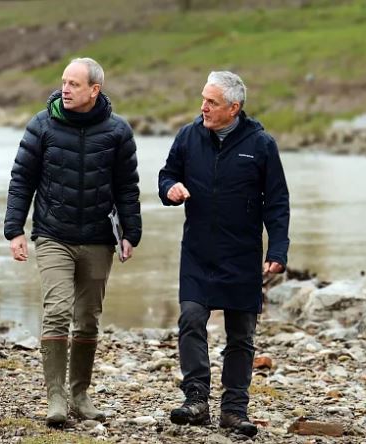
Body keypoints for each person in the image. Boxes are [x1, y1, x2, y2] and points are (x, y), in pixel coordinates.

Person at [4, 57, 141, 427]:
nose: (65, 89)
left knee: (88, 319)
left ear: (94, 90)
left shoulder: (118, 132)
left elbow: (127, 187)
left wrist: (131, 232)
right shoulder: (42, 125)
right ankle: (56, 398)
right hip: (53, 235)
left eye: (74, 84)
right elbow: (21, 179)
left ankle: (80, 394)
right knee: (58, 310)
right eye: (64, 82)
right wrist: (15, 229)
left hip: (98, 239)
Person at [158, 71, 290, 437]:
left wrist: (278, 248)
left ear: (234, 108)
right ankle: (196, 399)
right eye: (203, 99)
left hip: (242, 254)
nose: (203, 107)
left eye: (211, 102)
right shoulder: (188, 137)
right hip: (197, 251)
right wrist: (170, 188)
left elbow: (277, 202)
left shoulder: (261, 144)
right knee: (191, 318)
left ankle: (234, 409)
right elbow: (166, 175)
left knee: (241, 335)